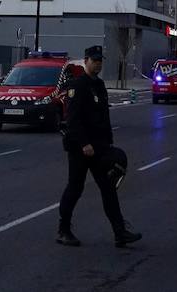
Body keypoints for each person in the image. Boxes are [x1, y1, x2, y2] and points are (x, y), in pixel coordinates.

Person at [57, 45, 142, 248]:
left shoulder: (99, 85)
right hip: (80, 148)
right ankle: (63, 230)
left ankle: (120, 232)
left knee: (108, 188)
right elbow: (73, 120)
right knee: (75, 188)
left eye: (100, 60)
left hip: (99, 147)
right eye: (94, 60)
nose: (98, 64)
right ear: (85, 61)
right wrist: (84, 143)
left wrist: (107, 142)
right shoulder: (78, 85)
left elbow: (103, 117)